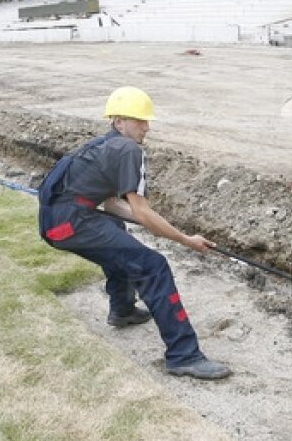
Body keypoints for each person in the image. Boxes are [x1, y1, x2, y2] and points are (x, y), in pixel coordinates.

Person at [37, 86, 232, 380]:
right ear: (119, 122)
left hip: (57, 221)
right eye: (140, 121)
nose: (147, 127)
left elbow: (113, 206)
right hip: (72, 223)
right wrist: (184, 239)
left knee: (118, 235)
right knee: (153, 266)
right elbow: (141, 211)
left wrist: (159, 224)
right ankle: (183, 355)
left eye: (147, 120)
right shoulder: (128, 150)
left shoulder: (104, 146)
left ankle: (123, 310)